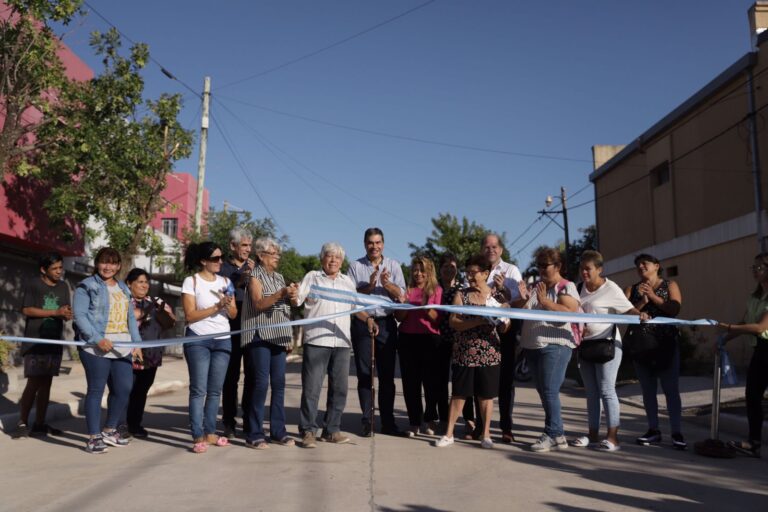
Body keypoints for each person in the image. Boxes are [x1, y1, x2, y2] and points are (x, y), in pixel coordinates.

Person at [293, 242, 379, 448]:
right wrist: (292, 291)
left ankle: (331, 430)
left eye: (337, 257)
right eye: (329, 256)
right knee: (312, 389)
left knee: (339, 389)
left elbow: (355, 307)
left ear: (342, 261)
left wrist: (368, 319)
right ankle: (308, 431)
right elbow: (296, 301)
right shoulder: (312, 277)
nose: (333, 260)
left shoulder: (347, 282)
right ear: (322, 258)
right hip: (316, 340)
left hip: (341, 342)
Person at [435, 254, 509, 449]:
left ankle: (486, 434)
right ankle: (449, 433)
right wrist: (479, 319)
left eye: (473, 272)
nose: (469, 276)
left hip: (490, 352)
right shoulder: (462, 294)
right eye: (467, 272)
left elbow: (505, 325)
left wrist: (502, 322)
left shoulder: (497, 297)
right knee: (459, 393)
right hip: (465, 351)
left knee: (486, 395)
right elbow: (454, 322)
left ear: (485, 273)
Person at [572, 251, 642, 452]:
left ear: (599, 269)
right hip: (585, 346)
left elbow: (628, 310)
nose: (584, 273)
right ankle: (592, 435)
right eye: (581, 268)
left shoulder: (611, 288)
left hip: (608, 346)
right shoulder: (578, 289)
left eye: (588, 269)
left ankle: (613, 438)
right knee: (591, 393)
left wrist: (641, 314)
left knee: (607, 390)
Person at [73, 247, 141, 454]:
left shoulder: (123, 287)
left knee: (124, 389)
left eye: (113, 263)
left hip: (123, 347)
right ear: (97, 263)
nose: (108, 266)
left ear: (119, 266)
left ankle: (110, 430)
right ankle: (94, 438)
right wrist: (97, 339)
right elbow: (80, 316)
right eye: (104, 262)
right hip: (96, 347)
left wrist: (136, 343)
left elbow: (130, 317)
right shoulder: (87, 286)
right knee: (96, 390)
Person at [517, 247, 580, 453]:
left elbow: (569, 313)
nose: (542, 269)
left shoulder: (566, 287)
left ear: (558, 266)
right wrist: (523, 298)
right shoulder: (537, 286)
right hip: (532, 346)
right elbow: (526, 312)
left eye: (546, 265)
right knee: (545, 393)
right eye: (539, 265)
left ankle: (552, 433)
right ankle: (559, 435)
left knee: (550, 391)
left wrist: (545, 302)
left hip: (555, 346)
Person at [347, 227, 406, 436]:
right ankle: (367, 420)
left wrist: (387, 285)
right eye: (370, 243)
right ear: (365, 244)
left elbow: (402, 297)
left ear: (383, 244)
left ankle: (388, 422)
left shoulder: (394, 266)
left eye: (378, 242)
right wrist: (369, 286)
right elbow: (350, 297)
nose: (374, 246)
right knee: (365, 374)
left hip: (387, 324)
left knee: (387, 376)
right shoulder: (355, 267)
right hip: (363, 322)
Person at [624, 253, 685, 449]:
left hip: (666, 345)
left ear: (657, 266)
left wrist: (653, 297)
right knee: (648, 391)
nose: (641, 267)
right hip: (641, 346)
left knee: (671, 390)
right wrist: (642, 302)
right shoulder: (631, 289)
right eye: (638, 265)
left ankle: (676, 432)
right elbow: (625, 312)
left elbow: (674, 309)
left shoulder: (670, 285)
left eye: (645, 263)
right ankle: (653, 430)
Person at [240, 238, 297, 449]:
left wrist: (290, 295)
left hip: (279, 335)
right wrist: (281, 293)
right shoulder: (255, 276)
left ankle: (278, 431)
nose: (277, 258)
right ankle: (254, 432)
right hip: (259, 335)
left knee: (279, 383)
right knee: (261, 383)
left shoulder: (279, 277)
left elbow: (285, 310)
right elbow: (259, 303)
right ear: (261, 256)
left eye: (278, 254)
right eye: (274, 254)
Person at [181, 242, 238, 454]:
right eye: (215, 258)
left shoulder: (226, 281)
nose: (220, 262)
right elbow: (189, 315)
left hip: (223, 339)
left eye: (221, 258)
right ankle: (197, 435)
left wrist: (229, 304)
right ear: (203, 261)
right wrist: (216, 307)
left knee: (215, 391)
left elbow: (233, 315)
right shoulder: (192, 281)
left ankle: (211, 432)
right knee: (199, 390)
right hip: (198, 339)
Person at [11, 252, 72, 439]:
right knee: (34, 382)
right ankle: (22, 421)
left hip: (54, 342)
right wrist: (55, 311)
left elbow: (66, 310)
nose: (59, 272)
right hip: (35, 343)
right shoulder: (33, 284)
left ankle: (40, 423)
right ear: (43, 269)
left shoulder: (63, 286)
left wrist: (67, 314)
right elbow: (26, 309)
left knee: (46, 384)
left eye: (61, 267)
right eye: (54, 268)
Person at [717, 252, 768, 458]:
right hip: (761, 350)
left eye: (760, 267)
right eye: (754, 267)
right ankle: (753, 442)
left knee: (755, 394)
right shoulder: (755, 297)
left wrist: (727, 327)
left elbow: (760, 327)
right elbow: (744, 322)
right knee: (753, 395)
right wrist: (724, 337)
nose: (755, 270)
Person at [124, 268, 176, 438]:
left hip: (152, 353)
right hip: (132, 351)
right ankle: (119, 424)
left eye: (146, 282)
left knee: (141, 390)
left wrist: (161, 311)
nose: (144, 285)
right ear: (129, 284)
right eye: (140, 281)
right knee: (127, 389)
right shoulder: (124, 301)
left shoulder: (156, 300)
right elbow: (133, 316)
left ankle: (134, 424)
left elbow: (171, 322)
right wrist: (149, 310)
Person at [394, 256, 443, 437]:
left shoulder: (436, 290)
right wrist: (403, 303)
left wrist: (424, 305)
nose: (418, 273)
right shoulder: (407, 290)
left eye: (422, 270)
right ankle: (414, 422)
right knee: (410, 384)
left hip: (430, 339)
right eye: (415, 269)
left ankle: (430, 419)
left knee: (431, 384)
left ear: (429, 271)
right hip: (407, 339)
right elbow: (399, 318)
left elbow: (437, 319)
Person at [482, 233, 523, 443]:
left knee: (506, 381)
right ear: (482, 249)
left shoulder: (511, 270)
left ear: (501, 250)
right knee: (482, 380)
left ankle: (506, 427)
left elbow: (518, 302)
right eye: (487, 247)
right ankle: (481, 427)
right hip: (481, 330)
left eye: (495, 246)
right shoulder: (477, 270)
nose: (491, 250)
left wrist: (503, 289)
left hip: (505, 331)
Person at [218, 227, 255, 439]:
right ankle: (229, 421)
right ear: (233, 246)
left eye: (249, 245)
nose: (247, 249)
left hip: (251, 325)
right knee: (230, 377)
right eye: (244, 245)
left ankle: (250, 420)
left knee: (252, 375)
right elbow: (225, 290)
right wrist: (242, 277)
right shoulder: (222, 268)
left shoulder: (255, 267)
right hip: (230, 328)